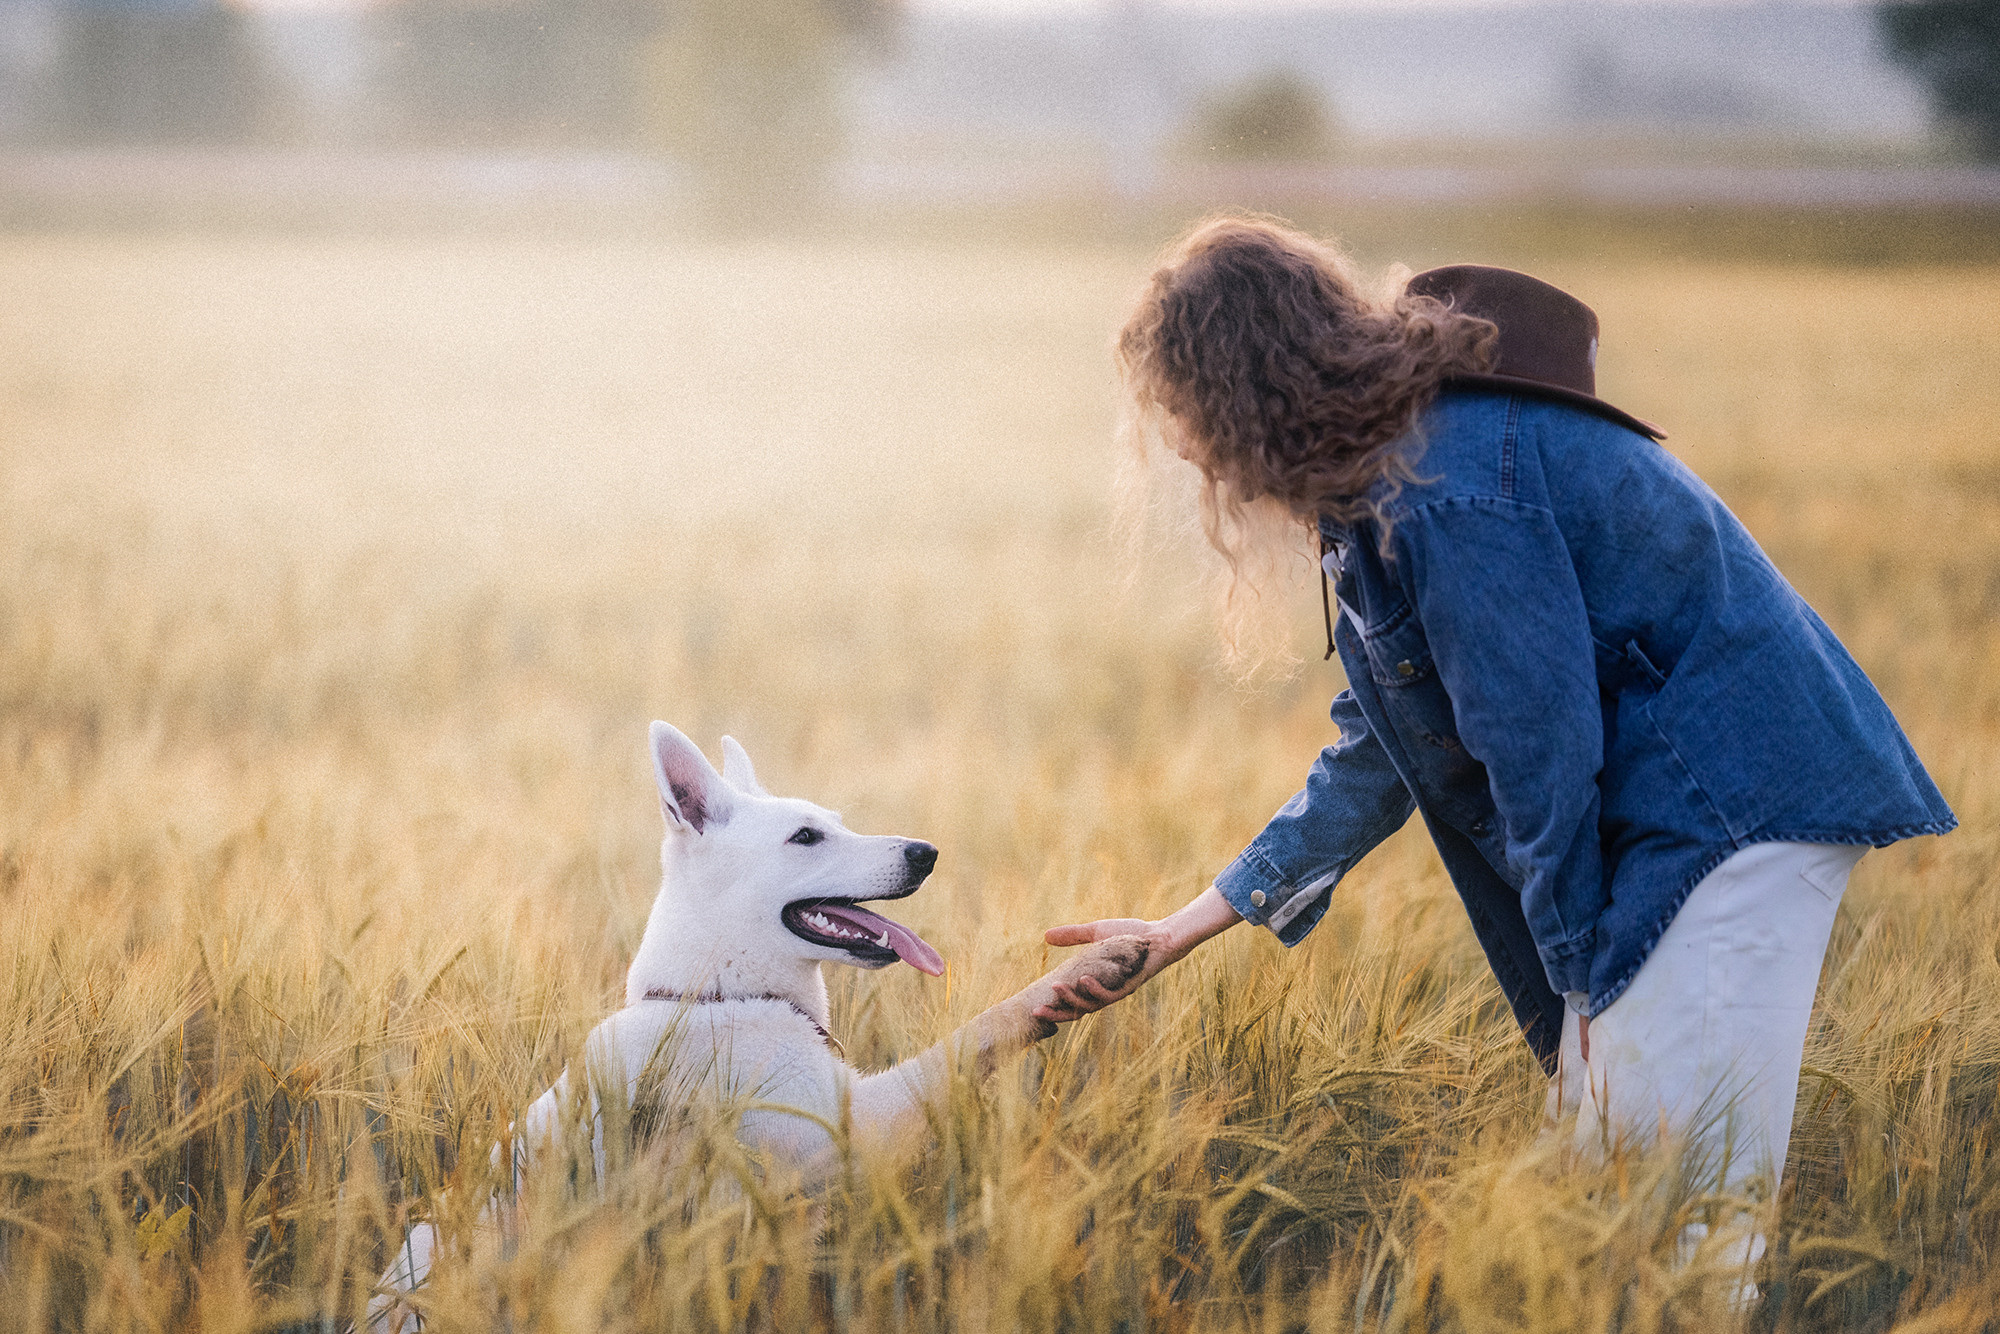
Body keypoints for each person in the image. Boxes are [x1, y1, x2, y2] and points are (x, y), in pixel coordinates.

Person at [1035, 217, 1955, 1277]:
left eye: (1183, 408)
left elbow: (1538, 750)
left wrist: (1582, 983)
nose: (1184, 447)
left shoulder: (1449, 483)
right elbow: (1377, 749)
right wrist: (1187, 925)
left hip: (1731, 807)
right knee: (1615, 1198)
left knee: (1681, 1220)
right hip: (1685, 814)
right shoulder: (1391, 477)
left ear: (1246, 387)